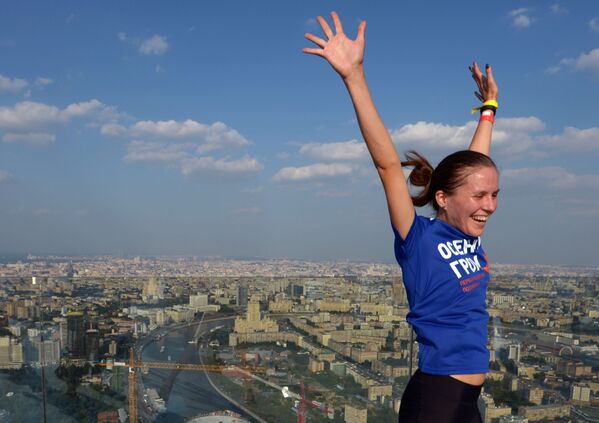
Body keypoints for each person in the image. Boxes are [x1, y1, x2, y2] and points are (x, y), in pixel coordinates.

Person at [303, 12, 499, 423]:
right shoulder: (418, 239)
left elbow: (473, 166)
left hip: (467, 403)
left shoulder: (469, 239)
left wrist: (488, 109)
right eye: (480, 196)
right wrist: (353, 76)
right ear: (443, 199)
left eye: (495, 195)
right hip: (436, 399)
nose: (490, 205)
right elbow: (389, 167)